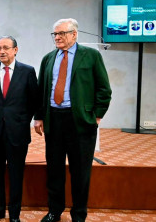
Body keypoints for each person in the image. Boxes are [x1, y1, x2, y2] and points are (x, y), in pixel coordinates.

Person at [34, 18, 112, 222]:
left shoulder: (91, 56)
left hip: (81, 121)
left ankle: (78, 213)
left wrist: (96, 115)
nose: (57, 37)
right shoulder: (48, 58)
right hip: (54, 120)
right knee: (54, 169)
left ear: (74, 34)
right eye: (55, 34)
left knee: (80, 171)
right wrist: (39, 116)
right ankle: (54, 211)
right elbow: (42, 89)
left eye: (61, 33)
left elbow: (104, 89)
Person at [0, 36, 39, 222]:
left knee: (16, 174)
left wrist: (21, 121)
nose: (1, 51)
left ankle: (14, 214)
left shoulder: (28, 71)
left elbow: (33, 101)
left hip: (18, 132)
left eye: (6, 47)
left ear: (16, 50)